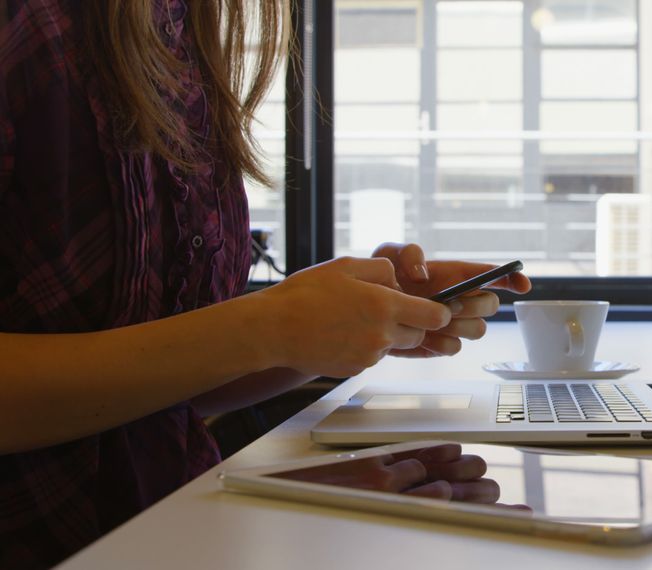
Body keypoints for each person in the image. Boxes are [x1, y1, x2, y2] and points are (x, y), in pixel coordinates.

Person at [0, 0, 530, 566]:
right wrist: (269, 325)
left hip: (172, 532)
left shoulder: (181, 33)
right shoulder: (27, 25)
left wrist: (329, 328)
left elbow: (165, 386)